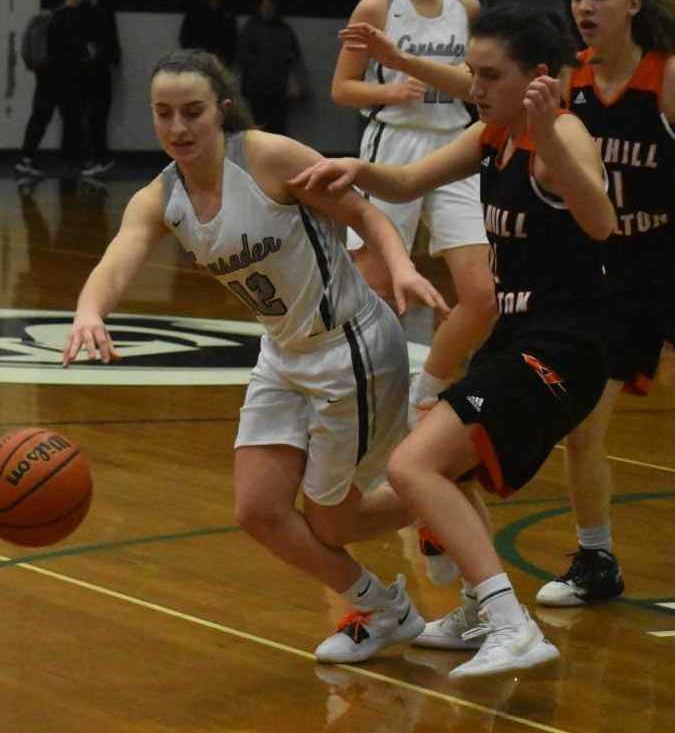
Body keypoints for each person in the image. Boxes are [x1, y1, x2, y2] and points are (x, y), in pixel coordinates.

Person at [61, 49, 451, 664]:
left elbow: (363, 212)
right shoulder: (161, 197)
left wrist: (400, 268)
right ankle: (384, 608)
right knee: (258, 510)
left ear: (220, 110)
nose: (178, 128)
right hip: (283, 354)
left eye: (192, 112)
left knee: (333, 526)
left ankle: (443, 490)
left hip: (348, 345)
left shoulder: (267, 156)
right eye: (163, 114)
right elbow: (117, 259)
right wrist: (90, 313)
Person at [291, 5, 616, 678]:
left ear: (538, 79)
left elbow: (601, 219)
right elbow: (408, 180)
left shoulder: (562, 134)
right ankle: (475, 607)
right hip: (519, 340)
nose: (473, 87)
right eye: (470, 72)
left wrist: (547, 134)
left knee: (413, 465)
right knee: (435, 463)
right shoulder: (490, 135)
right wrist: (351, 167)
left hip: (566, 345)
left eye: (489, 76)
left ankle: (509, 623)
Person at [535, 0, 675, 606]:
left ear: (635, 3)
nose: (584, 7)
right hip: (612, 269)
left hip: (668, 252)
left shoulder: (666, 76)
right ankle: (596, 559)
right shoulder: (573, 82)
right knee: (582, 427)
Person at [331, 0, 496, 431]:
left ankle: (427, 390)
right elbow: (342, 89)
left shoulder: (467, 5)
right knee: (375, 288)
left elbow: (480, 79)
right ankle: (359, 402)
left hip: (457, 146)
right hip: (394, 142)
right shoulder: (376, 5)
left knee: (483, 294)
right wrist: (390, 92)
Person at [16, 0, 89, 177]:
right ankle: (78, 161)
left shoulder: (53, 16)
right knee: (70, 118)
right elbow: (72, 48)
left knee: (43, 117)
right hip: (62, 76)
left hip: (48, 76)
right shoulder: (69, 17)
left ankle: (27, 158)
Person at [236, 0, 305, 135]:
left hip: (276, 87)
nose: (267, 10)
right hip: (257, 87)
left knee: (276, 127)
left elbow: (293, 57)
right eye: (265, 6)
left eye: (270, 7)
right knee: (258, 126)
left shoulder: (281, 29)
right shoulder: (253, 28)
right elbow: (242, 56)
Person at [79, 0, 122, 177]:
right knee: (86, 114)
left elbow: (112, 34)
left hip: (102, 66)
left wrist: (115, 58)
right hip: (84, 67)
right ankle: (89, 157)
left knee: (101, 113)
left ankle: (100, 156)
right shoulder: (79, 5)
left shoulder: (106, 5)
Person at [178, 0, 237, 67]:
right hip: (197, 59)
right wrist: (192, 56)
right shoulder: (195, 12)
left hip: (220, 61)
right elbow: (185, 37)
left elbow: (232, 40)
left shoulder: (228, 13)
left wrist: (226, 58)